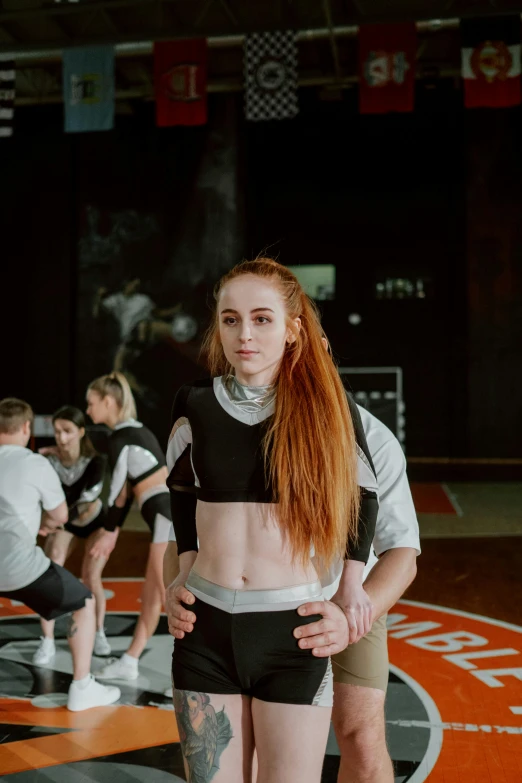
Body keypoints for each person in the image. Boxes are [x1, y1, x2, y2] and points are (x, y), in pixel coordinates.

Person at [164, 258, 379, 783]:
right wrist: (180, 573)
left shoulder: (328, 409)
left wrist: (351, 590)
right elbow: (182, 497)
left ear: (292, 330)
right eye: (231, 319)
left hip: (293, 634)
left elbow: (363, 499)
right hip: (203, 630)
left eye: (262, 319)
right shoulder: (192, 403)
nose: (245, 334)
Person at [166, 371, 420, 783]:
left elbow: (403, 555)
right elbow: (186, 532)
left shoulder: (372, 436)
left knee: (359, 732)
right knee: (236, 755)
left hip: (349, 600)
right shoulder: (221, 421)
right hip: (251, 610)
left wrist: (350, 614)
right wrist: (174, 588)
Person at [0, 398, 120, 712]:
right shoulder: (36, 462)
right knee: (83, 601)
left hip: (86, 525)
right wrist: (41, 522)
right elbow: (61, 514)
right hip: (16, 565)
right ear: (27, 428)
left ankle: (53, 641)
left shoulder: (91, 461)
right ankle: (81, 687)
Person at [84, 371, 175, 681]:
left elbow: (117, 494)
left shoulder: (121, 437)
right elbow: (124, 492)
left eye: (92, 403)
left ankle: (193, 672)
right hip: (167, 517)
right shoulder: (138, 432)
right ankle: (131, 659)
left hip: (167, 519)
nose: (89, 411)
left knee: (167, 597)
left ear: (109, 402)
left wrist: (110, 532)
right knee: (152, 595)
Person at [33, 406, 111, 666]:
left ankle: (99, 632)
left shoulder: (96, 462)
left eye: (67, 431)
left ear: (80, 431)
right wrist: (39, 457)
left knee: (91, 576)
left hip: (94, 522)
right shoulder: (48, 461)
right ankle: (47, 640)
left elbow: (78, 502)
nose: (61, 438)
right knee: (50, 569)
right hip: (66, 523)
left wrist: (49, 519)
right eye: (57, 432)